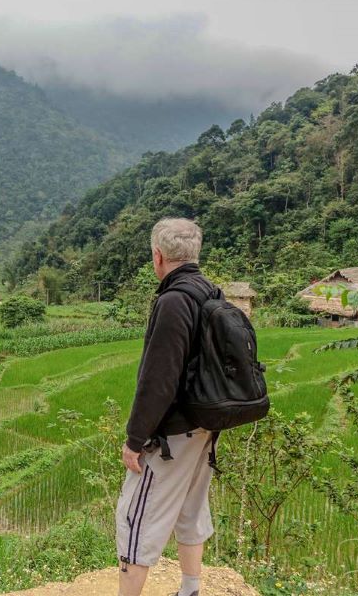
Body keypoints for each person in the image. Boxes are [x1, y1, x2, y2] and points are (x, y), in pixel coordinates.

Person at [116, 217, 217, 596]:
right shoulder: (210, 291)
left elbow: (158, 380)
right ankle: (190, 589)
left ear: (157, 256)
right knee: (191, 507)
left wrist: (135, 438)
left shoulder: (174, 300)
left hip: (173, 434)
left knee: (135, 516)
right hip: (204, 423)